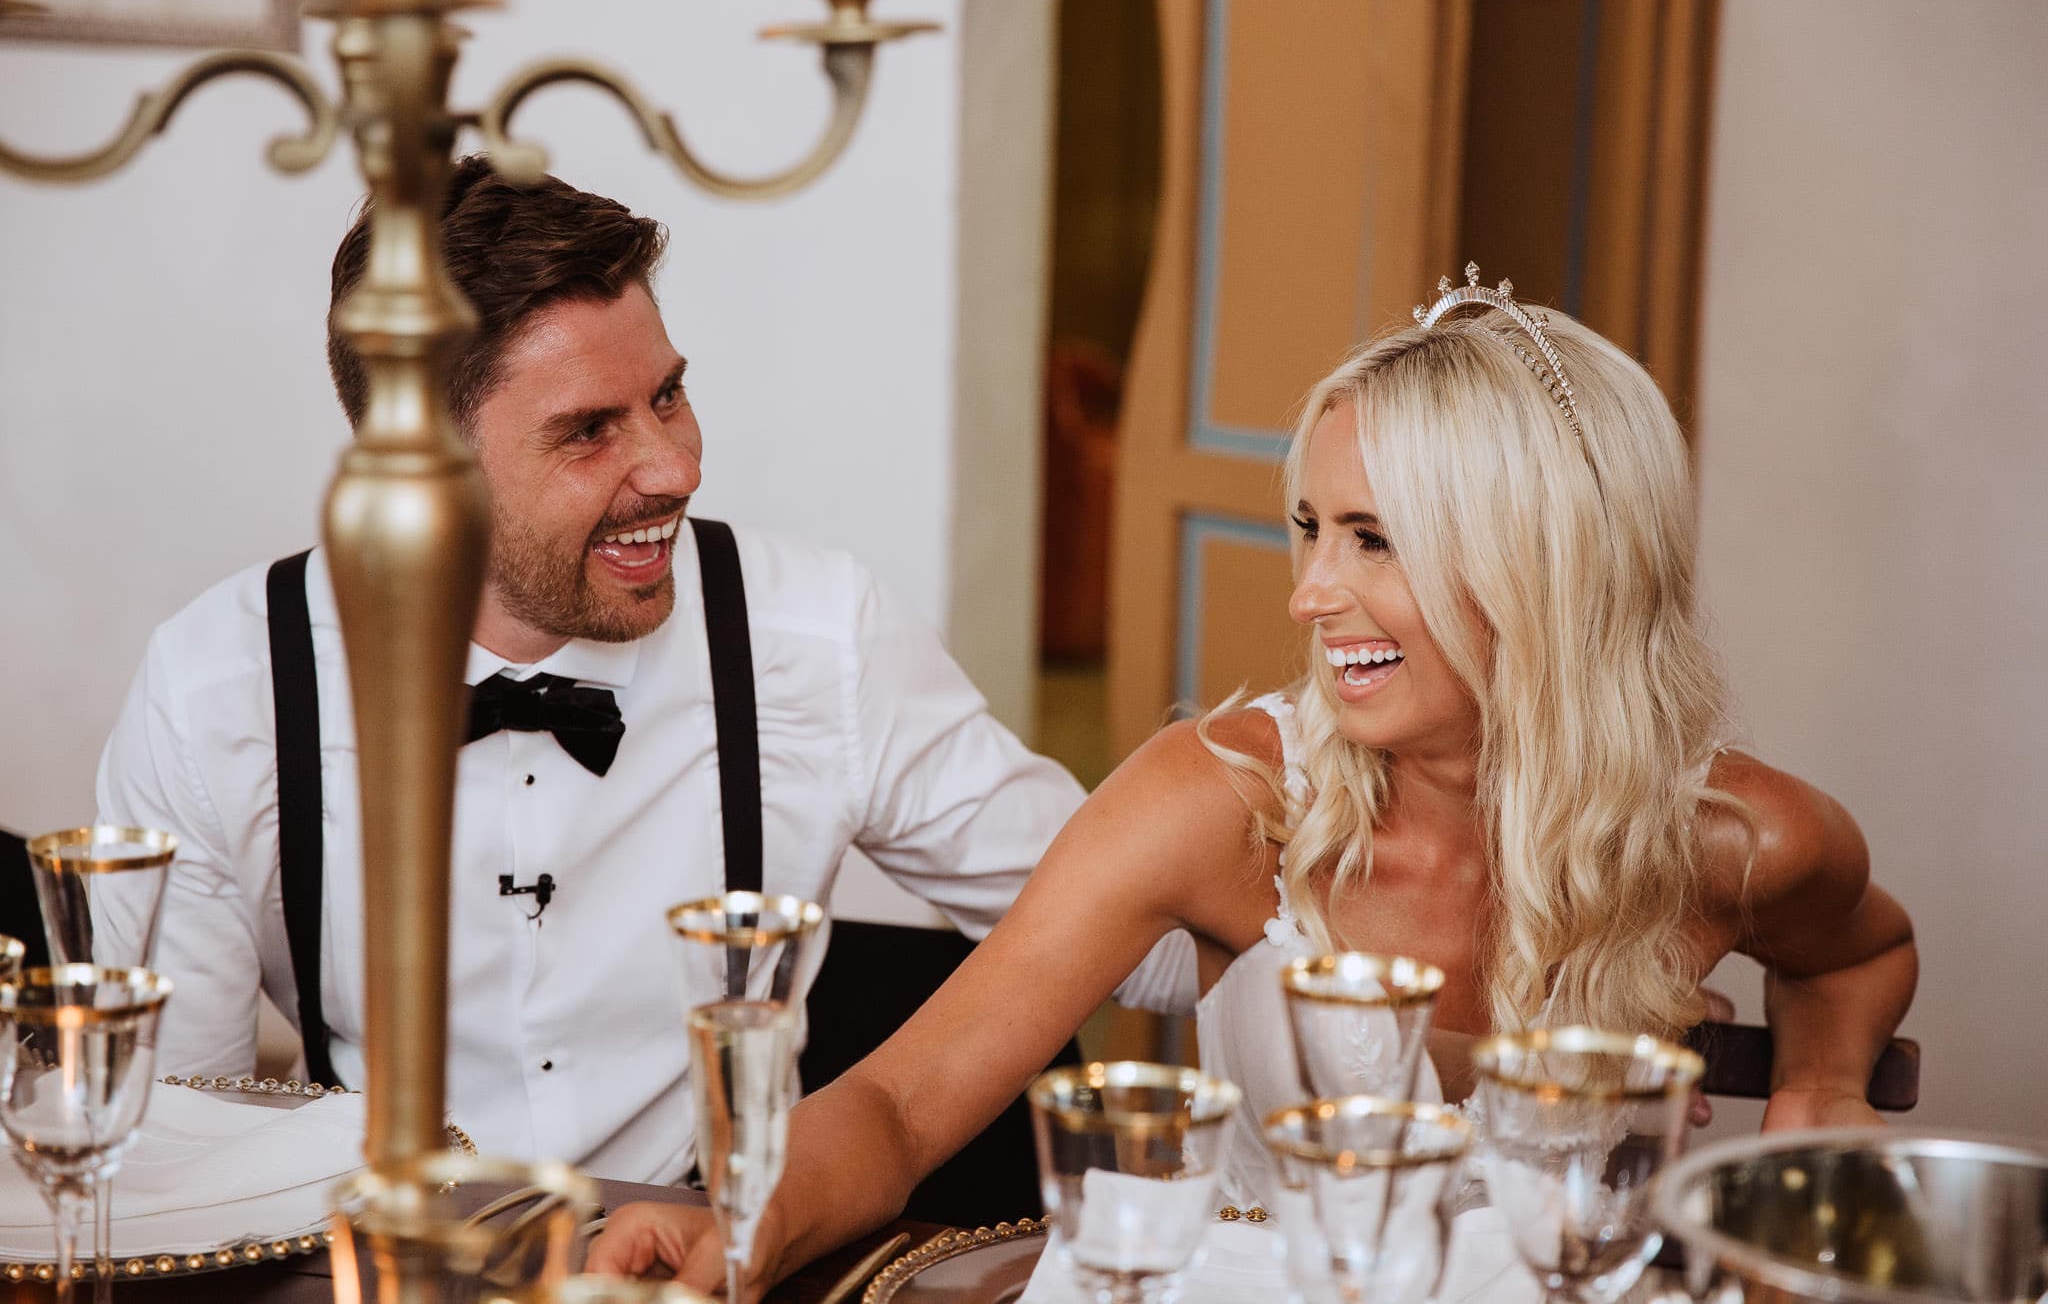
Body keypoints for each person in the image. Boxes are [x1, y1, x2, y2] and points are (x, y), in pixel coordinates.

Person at [587, 269, 1919, 1292]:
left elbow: (1862, 954)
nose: (1308, 593)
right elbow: (898, 1103)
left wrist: (1820, 1090)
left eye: (1374, 540)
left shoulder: (1739, 839)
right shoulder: (1220, 803)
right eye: (1311, 529)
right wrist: (739, 1213)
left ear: (1545, 564)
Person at [93, 158, 1188, 1184]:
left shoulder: (816, 636)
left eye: (666, 394)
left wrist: (1332, 836)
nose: (675, 466)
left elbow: (1147, 937)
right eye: (588, 432)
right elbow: (179, 1151)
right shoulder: (218, 692)